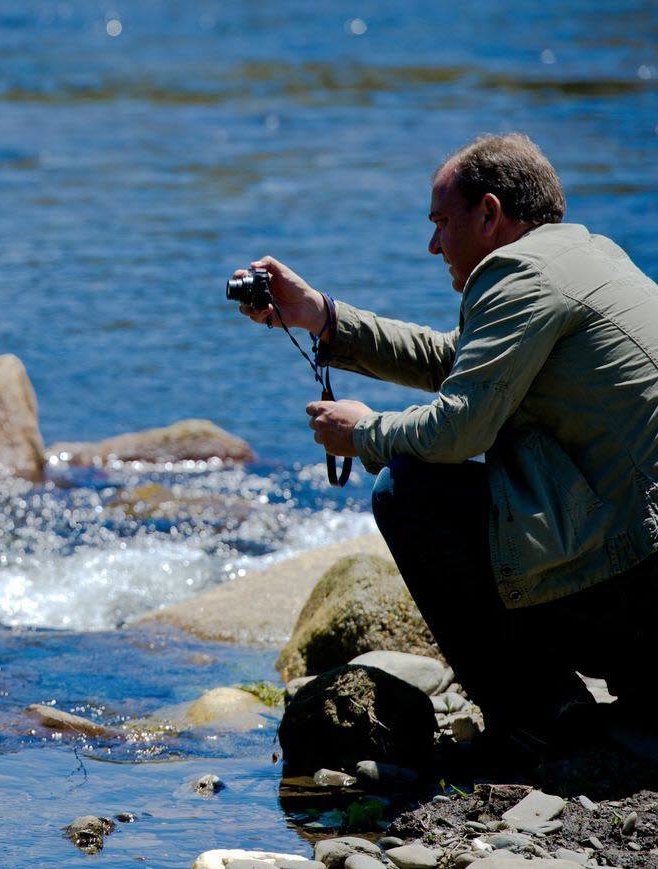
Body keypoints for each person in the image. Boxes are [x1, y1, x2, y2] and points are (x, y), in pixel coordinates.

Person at [237, 133, 658, 748]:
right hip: (645, 582)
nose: (432, 245)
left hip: (635, 590)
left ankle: (541, 712)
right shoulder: (588, 257)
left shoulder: (514, 275)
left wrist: (364, 434)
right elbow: (461, 362)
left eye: (440, 223)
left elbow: (461, 427)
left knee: (409, 490)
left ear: (489, 213)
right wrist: (322, 316)